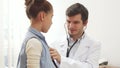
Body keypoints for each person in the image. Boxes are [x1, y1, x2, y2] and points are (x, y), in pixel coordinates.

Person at [50, 3, 101, 68]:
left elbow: (91, 66)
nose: (71, 26)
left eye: (76, 22)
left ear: (85, 23)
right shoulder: (55, 44)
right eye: (68, 21)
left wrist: (61, 60)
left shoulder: (94, 44)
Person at [17, 0, 57, 68]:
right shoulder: (34, 42)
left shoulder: (36, 40)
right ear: (42, 16)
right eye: (51, 17)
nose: (51, 22)